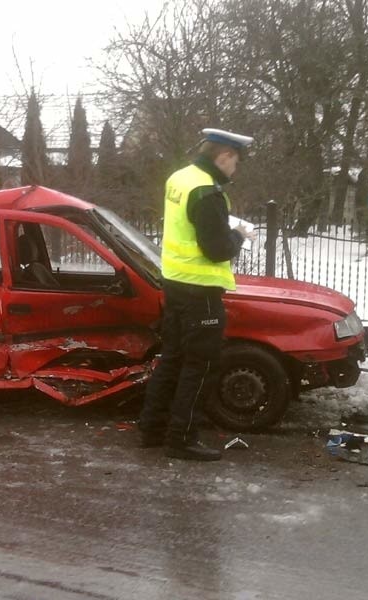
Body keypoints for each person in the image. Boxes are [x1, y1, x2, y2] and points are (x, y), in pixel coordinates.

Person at [139, 128, 257, 461]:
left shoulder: (180, 178)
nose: (236, 170)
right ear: (225, 156)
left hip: (175, 284)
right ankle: (182, 439)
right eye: (236, 162)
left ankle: (152, 429)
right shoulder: (207, 192)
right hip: (201, 292)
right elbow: (217, 249)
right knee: (200, 366)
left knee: (173, 358)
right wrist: (238, 235)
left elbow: (188, 226)